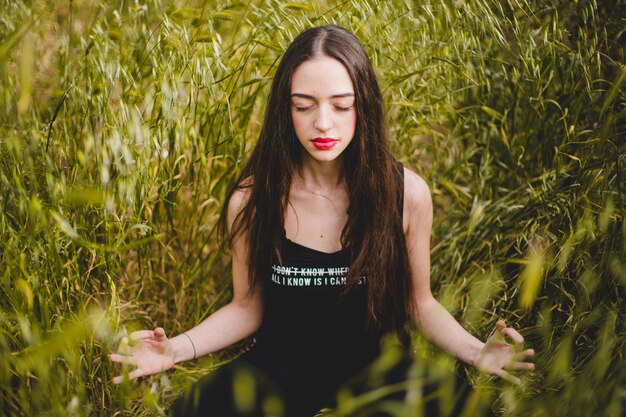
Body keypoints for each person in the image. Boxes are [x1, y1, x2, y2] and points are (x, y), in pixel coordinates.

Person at [109, 25, 535, 416]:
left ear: (363, 106)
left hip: (379, 373)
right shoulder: (252, 200)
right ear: (285, 110)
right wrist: (176, 351)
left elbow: (417, 303)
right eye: (304, 106)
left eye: (341, 105)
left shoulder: (406, 194)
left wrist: (477, 351)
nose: (323, 122)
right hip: (277, 369)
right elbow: (247, 306)